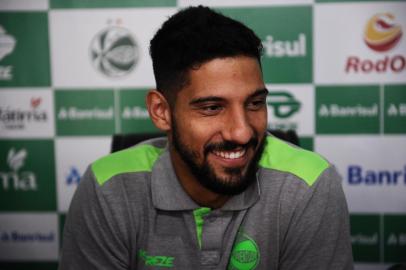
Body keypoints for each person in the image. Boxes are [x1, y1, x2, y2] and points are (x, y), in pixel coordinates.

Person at [59, 6, 353, 270]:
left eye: (254, 103)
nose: (242, 131)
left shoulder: (309, 184)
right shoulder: (109, 188)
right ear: (161, 112)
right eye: (212, 108)